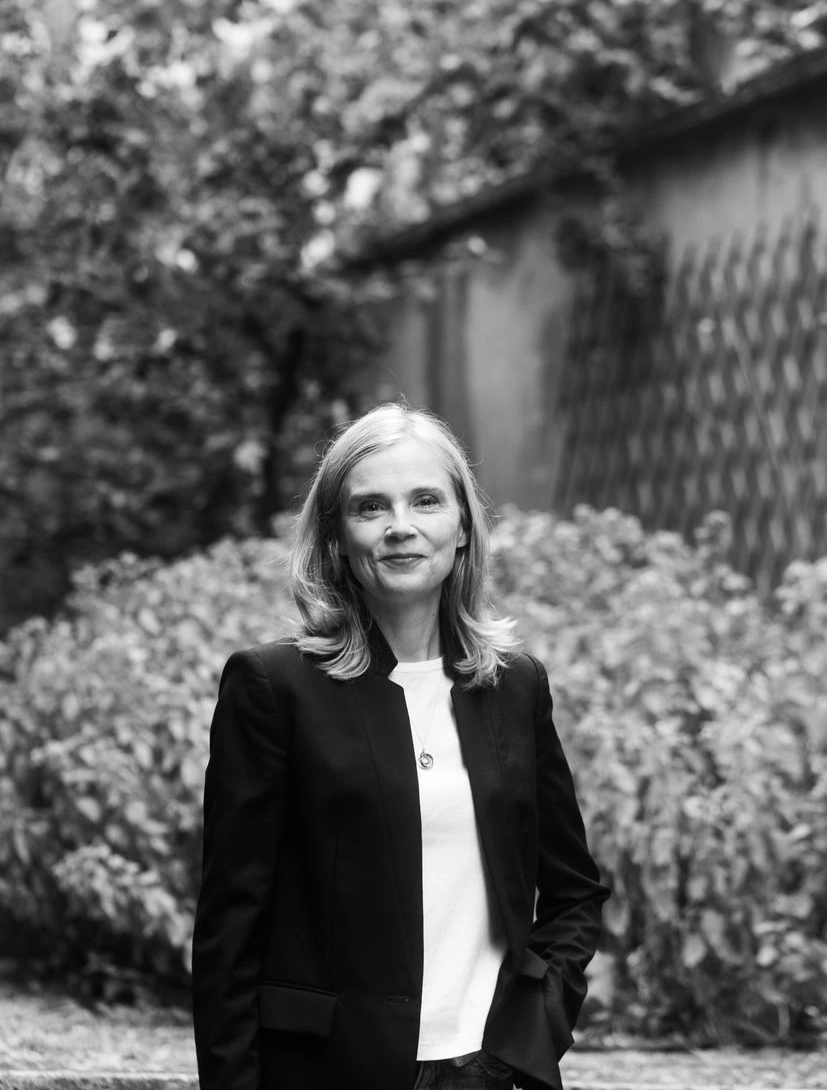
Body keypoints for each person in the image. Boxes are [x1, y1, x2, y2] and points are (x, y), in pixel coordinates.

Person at [192, 402, 610, 1090]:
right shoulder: (272, 687)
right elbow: (230, 928)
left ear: (463, 527)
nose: (400, 527)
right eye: (370, 507)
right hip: (328, 1074)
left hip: (487, 1072)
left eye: (425, 500)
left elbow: (574, 893)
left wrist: (532, 1028)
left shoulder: (514, 686)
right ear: (335, 537)